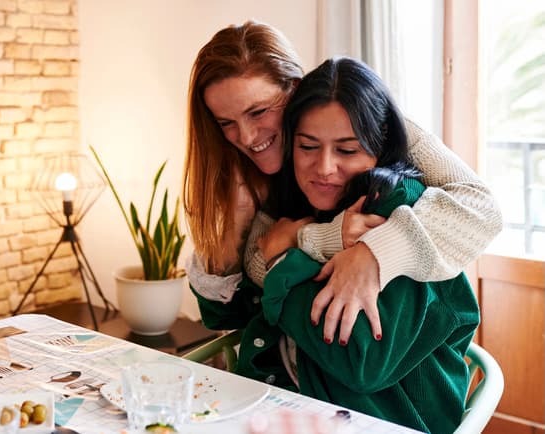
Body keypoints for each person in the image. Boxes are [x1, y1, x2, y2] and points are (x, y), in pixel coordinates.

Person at [183, 21, 501, 345]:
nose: (247, 137)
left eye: (259, 111)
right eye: (226, 123)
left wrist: (373, 253)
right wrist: (239, 221)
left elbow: (482, 207)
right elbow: (224, 313)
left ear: (294, 89)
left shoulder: (374, 129)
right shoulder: (239, 167)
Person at [222, 57, 478, 434]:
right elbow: (239, 297)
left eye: (347, 150)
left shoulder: (401, 210)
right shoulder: (300, 207)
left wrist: (281, 263)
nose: (324, 168)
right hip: (289, 409)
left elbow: (363, 361)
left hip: (389, 420)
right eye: (308, 146)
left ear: (379, 146)